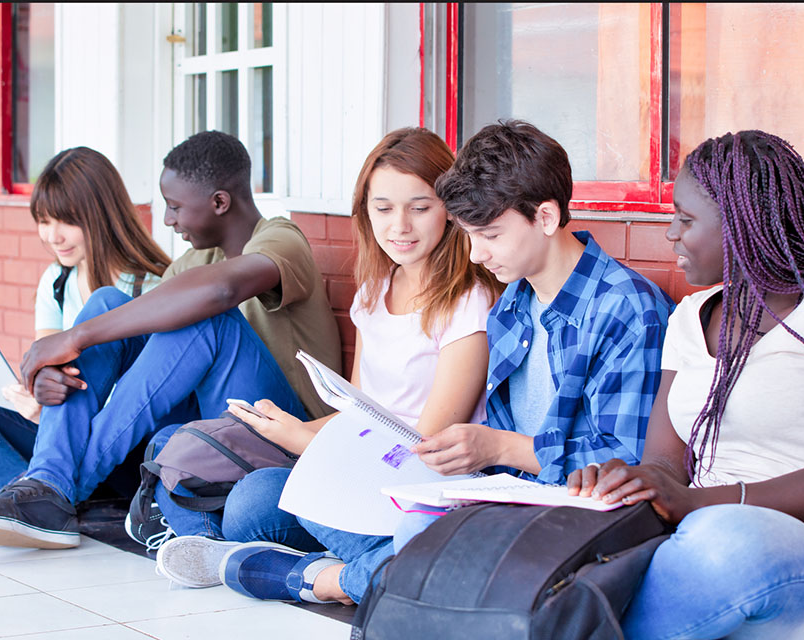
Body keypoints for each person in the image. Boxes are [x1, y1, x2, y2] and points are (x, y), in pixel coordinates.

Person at [162, 120, 674, 605]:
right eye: (469, 235)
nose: (475, 255)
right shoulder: (516, 302)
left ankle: (321, 578)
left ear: (544, 216)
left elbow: (624, 462)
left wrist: (498, 449)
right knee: (263, 499)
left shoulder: (624, 306)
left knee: (423, 547)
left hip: (563, 511)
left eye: (489, 235)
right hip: (485, 497)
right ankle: (380, 568)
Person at [568, 130, 804, 639]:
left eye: (686, 218)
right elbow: (664, 462)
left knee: (724, 543)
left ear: (742, 224)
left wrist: (700, 504)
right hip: (692, 543)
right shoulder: (689, 318)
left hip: (799, 558)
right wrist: (629, 480)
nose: (671, 234)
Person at [151, 127, 504, 598]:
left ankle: (330, 571)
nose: (400, 226)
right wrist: (285, 428)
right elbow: (357, 412)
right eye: (383, 208)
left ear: (450, 208)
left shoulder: (468, 301)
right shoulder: (376, 293)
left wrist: (304, 442)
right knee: (199, 463)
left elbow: (430, 444)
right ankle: (241, 552)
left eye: (420, 208)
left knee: (252, 504)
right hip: (359, 470)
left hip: (415, 487)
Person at [0, 130, 342, 550]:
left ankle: (60, 489)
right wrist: (59, 374)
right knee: (106, 303)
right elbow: (147, 351)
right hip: (215, 424)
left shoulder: (282, 239)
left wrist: (75, 336)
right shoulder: (192, 262)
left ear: (220, 202)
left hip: (290, 433)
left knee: (211, 321)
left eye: (174, 207)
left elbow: (221, 293)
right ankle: (48, 478)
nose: (168, 220)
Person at [0, 147, 170, 502]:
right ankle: (24, 490)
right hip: (59, 435)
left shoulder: (151, 287)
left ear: (102, 216)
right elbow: (51, 370)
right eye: (44, 221)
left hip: (120, 447)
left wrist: (51, 414)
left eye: (66, 221)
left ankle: (21, 486)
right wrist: (17, 389)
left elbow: (143, 402)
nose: (52, 236)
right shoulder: (56, 280)